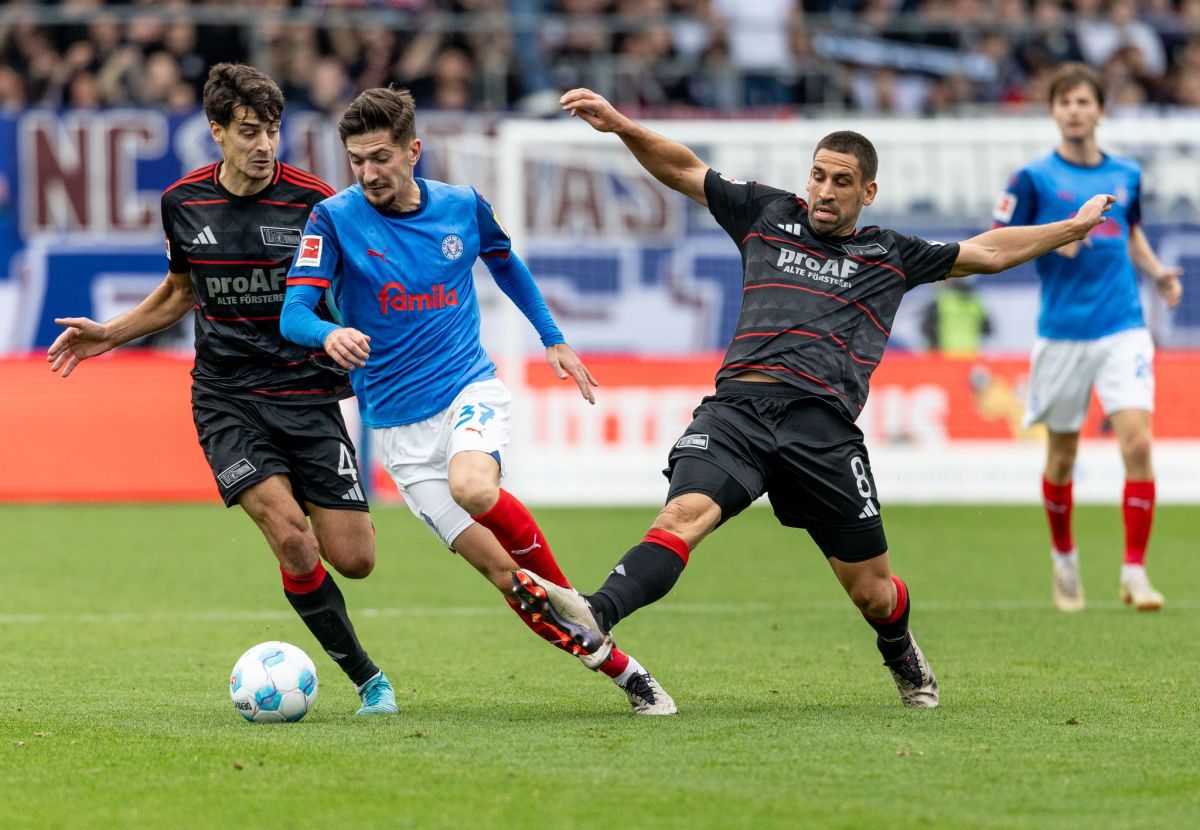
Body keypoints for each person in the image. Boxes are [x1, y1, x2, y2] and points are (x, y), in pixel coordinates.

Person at [513, 86, 1114, 710]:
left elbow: (988, 251)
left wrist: (1072, 226)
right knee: (681, 517)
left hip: (821, 432)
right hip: (737, 412)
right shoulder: (767, 214)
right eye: (818, 176)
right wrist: (619, 125)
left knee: (873, 594)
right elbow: (684, 168)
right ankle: (596, 614)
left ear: (868, 192)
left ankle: (901, 648)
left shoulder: (892, 255)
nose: (825, 191)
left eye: (842, 181)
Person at [279, 86, 676, 715]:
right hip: (400, 437)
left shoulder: (463, 207)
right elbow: (293, 312)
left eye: (380, 157)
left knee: (474, 487)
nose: (368, 172)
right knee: (503, 576)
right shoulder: (333, 219)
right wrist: (329, 332)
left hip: (468, 388)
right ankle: (626, 673)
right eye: (356, 160)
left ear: (414, 150)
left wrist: (554, 339)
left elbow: (506, 262)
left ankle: (576, 597)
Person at [46, 64, 397, 716]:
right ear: (216, 132)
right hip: (227, 397)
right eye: (248, 131)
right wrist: (112, 334)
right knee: (291, 537)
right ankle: (368, 678)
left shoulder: (314, 201)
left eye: (272, 130)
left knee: (355, 558)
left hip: (306, 391)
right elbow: (182, 291)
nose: (264, 144)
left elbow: (356, 285)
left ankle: (342, 628)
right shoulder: (183, 204)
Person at [993, 62, 1183, 613]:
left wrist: (1157, 272)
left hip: (1123, 325)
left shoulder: (1126, 172)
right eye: (1065, 102)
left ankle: (1135, 573)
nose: (1075, 111)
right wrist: (1061, 237)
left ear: (1101, 110)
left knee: (1139, 443)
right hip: (1062, 334)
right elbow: (999, 242)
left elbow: (1131, 234)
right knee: (1062, 457)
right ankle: (1065, 561)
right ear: (1053, 111)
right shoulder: (1030, 178)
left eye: (1084, 102)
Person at [920, 279, 993, 358]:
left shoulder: (941, 303)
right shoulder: (976, 305)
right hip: (971, 354)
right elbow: (987, 330)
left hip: (945, 354)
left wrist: (934, 346)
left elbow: (927, 329)